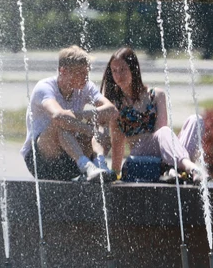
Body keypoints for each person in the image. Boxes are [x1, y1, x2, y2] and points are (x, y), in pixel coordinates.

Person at [100, 47, 202, 181]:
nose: (119, 76)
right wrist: (115, 173)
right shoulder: (115, 106)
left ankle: (173, 170)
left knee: (196, 120)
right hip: (140, 152)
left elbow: (160, 132)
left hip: (163, 146)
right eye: (114, 71)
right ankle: (190, 168)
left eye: (123, 70)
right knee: (165, 132)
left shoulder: (156, 95)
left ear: (133, 69)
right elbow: (117, 142)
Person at [21, 45, 118, 182]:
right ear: (63, 71)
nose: (86, 77)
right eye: (80, 73)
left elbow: (112, 111)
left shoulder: (86, 86)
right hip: (41, 160)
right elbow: (58, 116)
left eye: (87, 72)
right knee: (61, 123)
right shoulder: (44, 87)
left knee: (101, 120)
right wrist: (90, 130)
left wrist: (79, 115)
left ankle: (98, 163)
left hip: (70, 158)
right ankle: (86, 166)